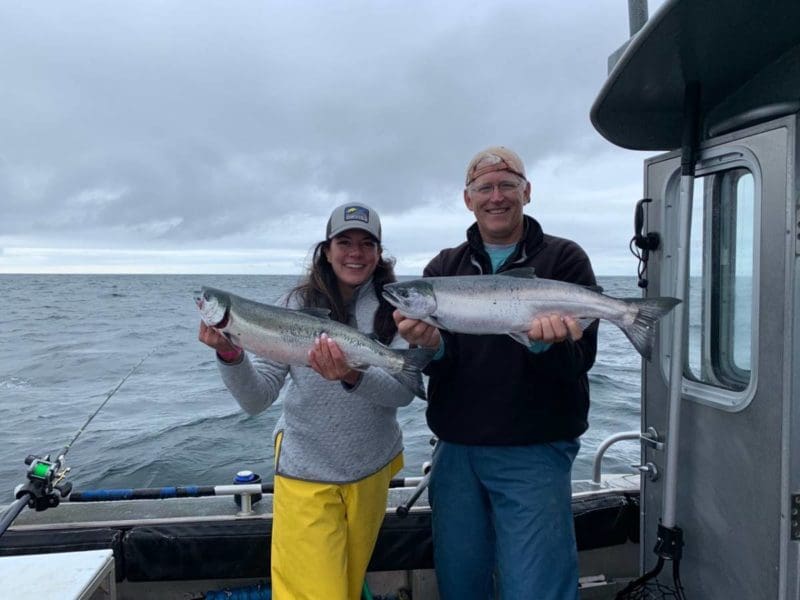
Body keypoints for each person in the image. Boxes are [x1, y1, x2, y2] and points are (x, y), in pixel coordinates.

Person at [394, 146, 598, 599]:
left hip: (535, 451)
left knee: (535, 589)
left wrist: (546, 343)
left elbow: (581, 360)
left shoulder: (565, 260)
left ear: (527, 192)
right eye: (484, 187)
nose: (496, 197)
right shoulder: (442, 269)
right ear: (468, 199)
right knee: (461, 585)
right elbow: (436, 365)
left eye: (507, 185)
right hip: (457, 452)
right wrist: (430, 346)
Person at [199, 202, 417, 600]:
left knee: (348, 586)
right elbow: (257, 398)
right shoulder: (293, 305)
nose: (355, 253)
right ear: (326, 249)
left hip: (371, 469)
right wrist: (231, 356)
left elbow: (402, 392)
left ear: (379, 253)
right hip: (307, 471)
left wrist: (352, 373)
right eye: (344, 242)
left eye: (366, 244)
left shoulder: (396, 309)